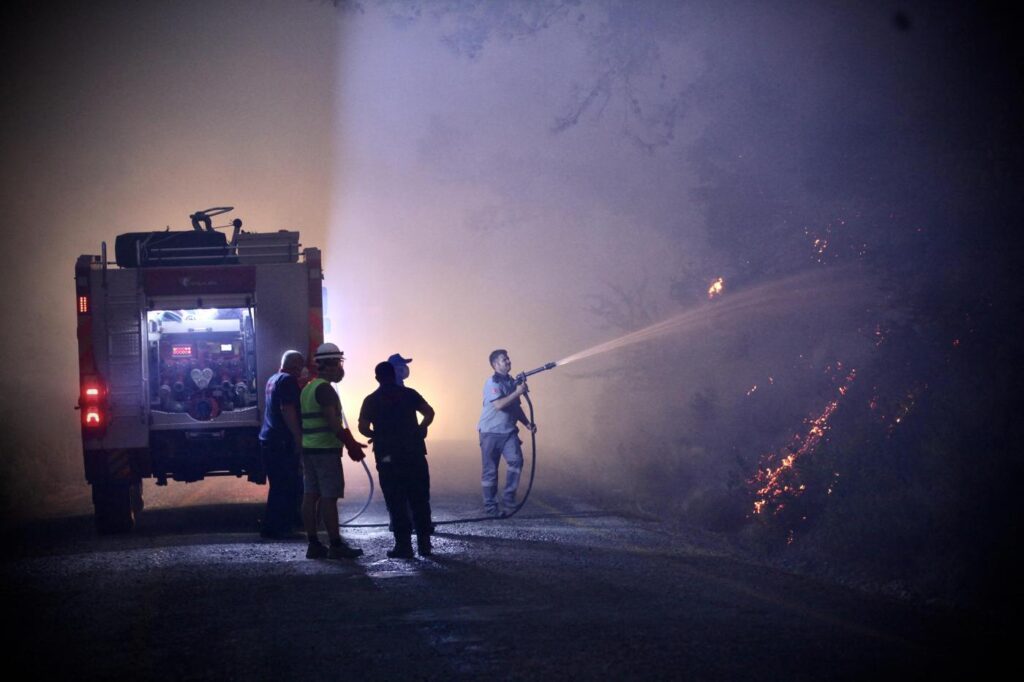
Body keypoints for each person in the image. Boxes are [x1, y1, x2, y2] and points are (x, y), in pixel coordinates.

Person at [359, 361, 436, 558]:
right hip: (414, 452)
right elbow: (429, 412)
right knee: (419, 498)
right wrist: (421, 428)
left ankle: (403, 546)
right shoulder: (409, 394)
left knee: (396, 500)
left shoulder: (371, 400)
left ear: (377, 378)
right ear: (394, 375)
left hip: (387, 456)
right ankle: (424, 544)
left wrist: (376, 435)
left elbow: (363, 427)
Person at [299, 342, 367, 560]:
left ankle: (313, 544)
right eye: (338, 363)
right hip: (325, 450)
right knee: (329, 497)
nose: (340, 368)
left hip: (309, 449)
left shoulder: (308, 388)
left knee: (310, 495)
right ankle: (336, 545)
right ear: (328, 364)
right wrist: (350, 443)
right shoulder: (325, 389)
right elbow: (332, 422)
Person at [478, 349, 536, 517]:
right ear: (495, 364)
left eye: (508, 358)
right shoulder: (492, 383)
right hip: (490, 432)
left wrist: (527, 423)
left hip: (508, 432)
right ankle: (491, 507)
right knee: (490, 471)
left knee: (516, 461)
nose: (508, 361)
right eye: (504, 360)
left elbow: (515, 407)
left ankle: (509, 498)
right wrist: (517, 392)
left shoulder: (510, 382)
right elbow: (499, 405)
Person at [257, 350, 304, 538]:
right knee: (286, 485)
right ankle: (279, 528)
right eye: (301, 367)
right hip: (281, 440)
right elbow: (287, 410)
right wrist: (298, 438)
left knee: (278, 485)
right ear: (297, 366)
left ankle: (273, 526)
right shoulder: (288, 381)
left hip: (269, 439)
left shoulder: (273, 379)